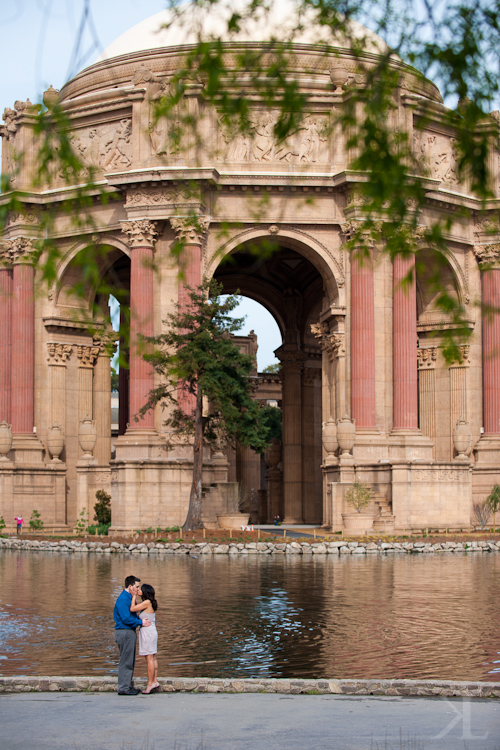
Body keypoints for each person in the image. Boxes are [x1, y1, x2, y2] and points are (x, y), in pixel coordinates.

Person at [113, 575, 151, 695]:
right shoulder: (123, 599)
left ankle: (127, 685)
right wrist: (141, 622)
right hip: (125, 632)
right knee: (126, 661)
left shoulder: (128, 597)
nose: (138, 589)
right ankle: (124, 688)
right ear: (130, 587)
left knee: (129, 660)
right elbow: (126, 618)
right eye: (137, 587)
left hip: (127, 632)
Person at [131, 583, 159, 694]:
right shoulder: (147, 603)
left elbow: (133, 608)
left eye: (140, 589)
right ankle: (155, 681)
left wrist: (133, 596)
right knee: (153, 657)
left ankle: (150, 684)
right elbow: (137, 606)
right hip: (150, 632)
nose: (138, 590)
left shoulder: (147, 603)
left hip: (148, 633)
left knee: (149, 659)